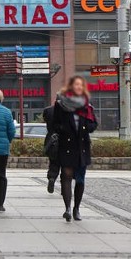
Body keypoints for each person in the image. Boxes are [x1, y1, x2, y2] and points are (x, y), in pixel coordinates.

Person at [53, 75, 97, 222]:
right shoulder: (61, 104)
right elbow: (54, 124)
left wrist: (87, 128)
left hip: (82, 146)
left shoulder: (87, 105)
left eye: (80, 85)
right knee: (66, 176)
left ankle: (76, 208)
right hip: (66, 145)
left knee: (80, 180)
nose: (78, 87)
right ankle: (67, 208)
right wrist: (63, 129)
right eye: (76, 84)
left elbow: (93, 124)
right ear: (71, 86)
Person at [43, 103, 60, 194]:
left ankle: (52, 177)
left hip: (51, 139)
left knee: (53, 162)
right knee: (65, 165)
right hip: (65, 140)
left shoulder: (48, 110)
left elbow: (46, 120)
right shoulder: (69, 110)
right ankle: (65, 185)